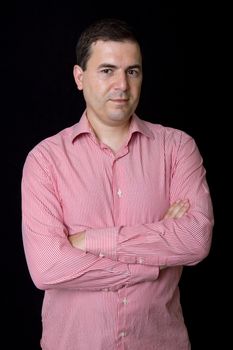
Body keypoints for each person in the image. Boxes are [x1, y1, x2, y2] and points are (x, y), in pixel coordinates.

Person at [21, 18, 214, 350]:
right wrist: (152, 261)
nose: (122, 85)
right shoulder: (45, 160)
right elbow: (47, 268)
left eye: (132, 71)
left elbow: (196, 240)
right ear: (79, 78)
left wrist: (88, 241)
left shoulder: (178, 148)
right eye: (107, 70)